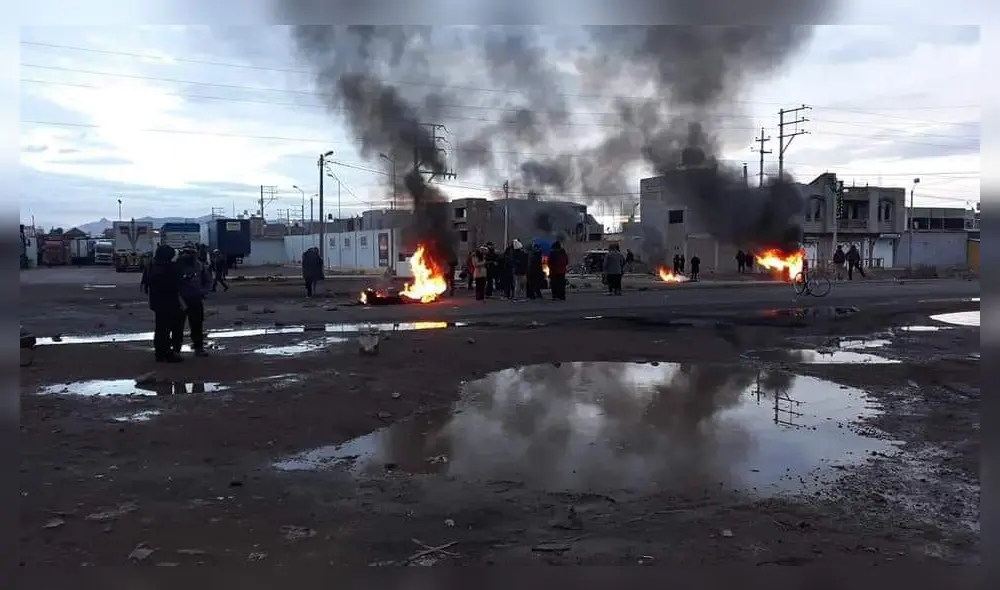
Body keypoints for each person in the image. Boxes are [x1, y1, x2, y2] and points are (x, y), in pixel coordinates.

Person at [145, 244, 184, 363]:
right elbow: (175, 284)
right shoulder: (168, 267)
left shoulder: (153, 266)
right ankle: (168, 353)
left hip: (157, 301)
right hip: (169, 301)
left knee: (160, 328)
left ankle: (160, 353)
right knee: (168, 328)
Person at [174, 246, 212, 356]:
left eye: (191, 253)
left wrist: (202, 291)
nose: (188, 255)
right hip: (181, 300)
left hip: (195, 299)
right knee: (178, 326)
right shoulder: (177, 266)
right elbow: (172, 281)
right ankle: (176, 349)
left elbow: (208, 280)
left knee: (197, 325)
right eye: (186, 252)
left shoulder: (200, 265)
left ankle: (198, 348)